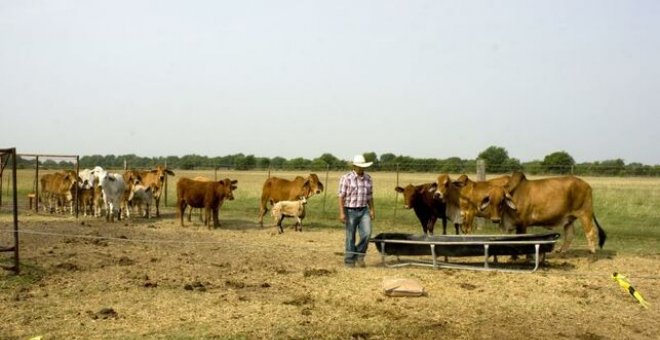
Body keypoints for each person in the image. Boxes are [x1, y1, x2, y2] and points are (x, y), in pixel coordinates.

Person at [338, 154, 375, 268]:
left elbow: (369, 196)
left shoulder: (368, 178)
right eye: (359, 166)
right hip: (350, 210)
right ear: (354, 166)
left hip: (364, 210)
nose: (361, 168)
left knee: (367, 234)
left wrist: (372, 209)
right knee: (350, 236)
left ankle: (359, 255)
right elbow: (341, 196)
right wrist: (342, 212)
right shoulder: (346, 178)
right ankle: (349, 261)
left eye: (362, 166)